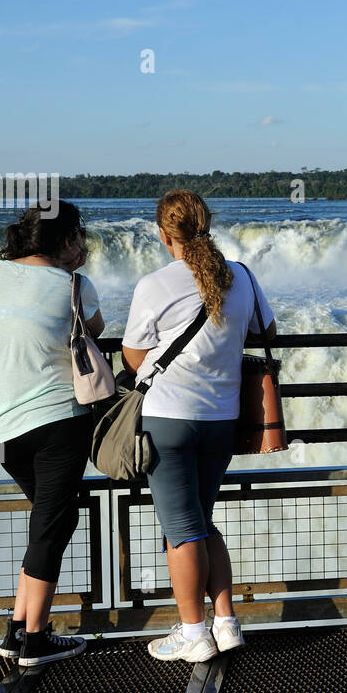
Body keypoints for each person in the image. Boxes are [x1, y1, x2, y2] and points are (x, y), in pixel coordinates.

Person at [122, 190, 276, 662]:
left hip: (168, 421)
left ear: (165, 235)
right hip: (221, 420)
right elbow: (265, 332)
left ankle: (193, 633)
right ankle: (225, 623)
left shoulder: (155, 284)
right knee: (201, 523)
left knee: (183, 530)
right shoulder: (242, 276)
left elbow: (133, 356)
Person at [0, 201, 102, 667]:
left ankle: (16, 630)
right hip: (59, 423)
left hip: (4, 430)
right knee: (50, 528)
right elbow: (95, 332)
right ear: (67, 241)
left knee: (49, 523)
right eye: (77, 237)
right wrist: (71, 272)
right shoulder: (73, 285)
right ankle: (36, 639)